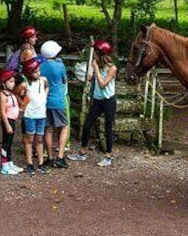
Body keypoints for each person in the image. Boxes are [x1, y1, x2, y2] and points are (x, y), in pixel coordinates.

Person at [69, 40, 117, 167]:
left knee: (108, 127)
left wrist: (95, 69)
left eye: (96, 53)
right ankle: (82, 152)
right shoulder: (97, 65)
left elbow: (102, 84)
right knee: (87, 124)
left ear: (101, 55)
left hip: (108, 100)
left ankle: (108, 155)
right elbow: (90, 79)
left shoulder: (112, 68)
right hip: (97, 100)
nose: (94, 55)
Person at [40, 40, 69, 169]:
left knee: (48, 128)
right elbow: (64, 80)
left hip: (45, 101)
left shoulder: (40, 65)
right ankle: (60, 156)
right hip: (58, 100)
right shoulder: (60, 66)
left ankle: (49, 157)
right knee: (64, 126)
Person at [21, 58, 49, 175]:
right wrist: (22, 104)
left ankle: (41, 163)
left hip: (41, 114)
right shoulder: (25, 84)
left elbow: (47, 87)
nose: (39, 73)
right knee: (30, 139)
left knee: (39, 139)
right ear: (29, 73)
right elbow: (19, 93)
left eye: (39, 71)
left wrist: (45, 96)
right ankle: (30, 163)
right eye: (36, 71)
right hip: (30, 115)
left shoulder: (43, 81)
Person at [0, 69, 23, 175]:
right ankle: (4, 165)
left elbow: (15, 107)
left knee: (10, 143)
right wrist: (7, 125)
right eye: (10, 82)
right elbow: (2, 112)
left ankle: (10, 162)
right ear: (4, 83)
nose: (13, 84)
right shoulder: (3, 95)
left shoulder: (11, 94)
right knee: (5, 143)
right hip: (8, 121)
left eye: (13, 81)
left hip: (12, 120)